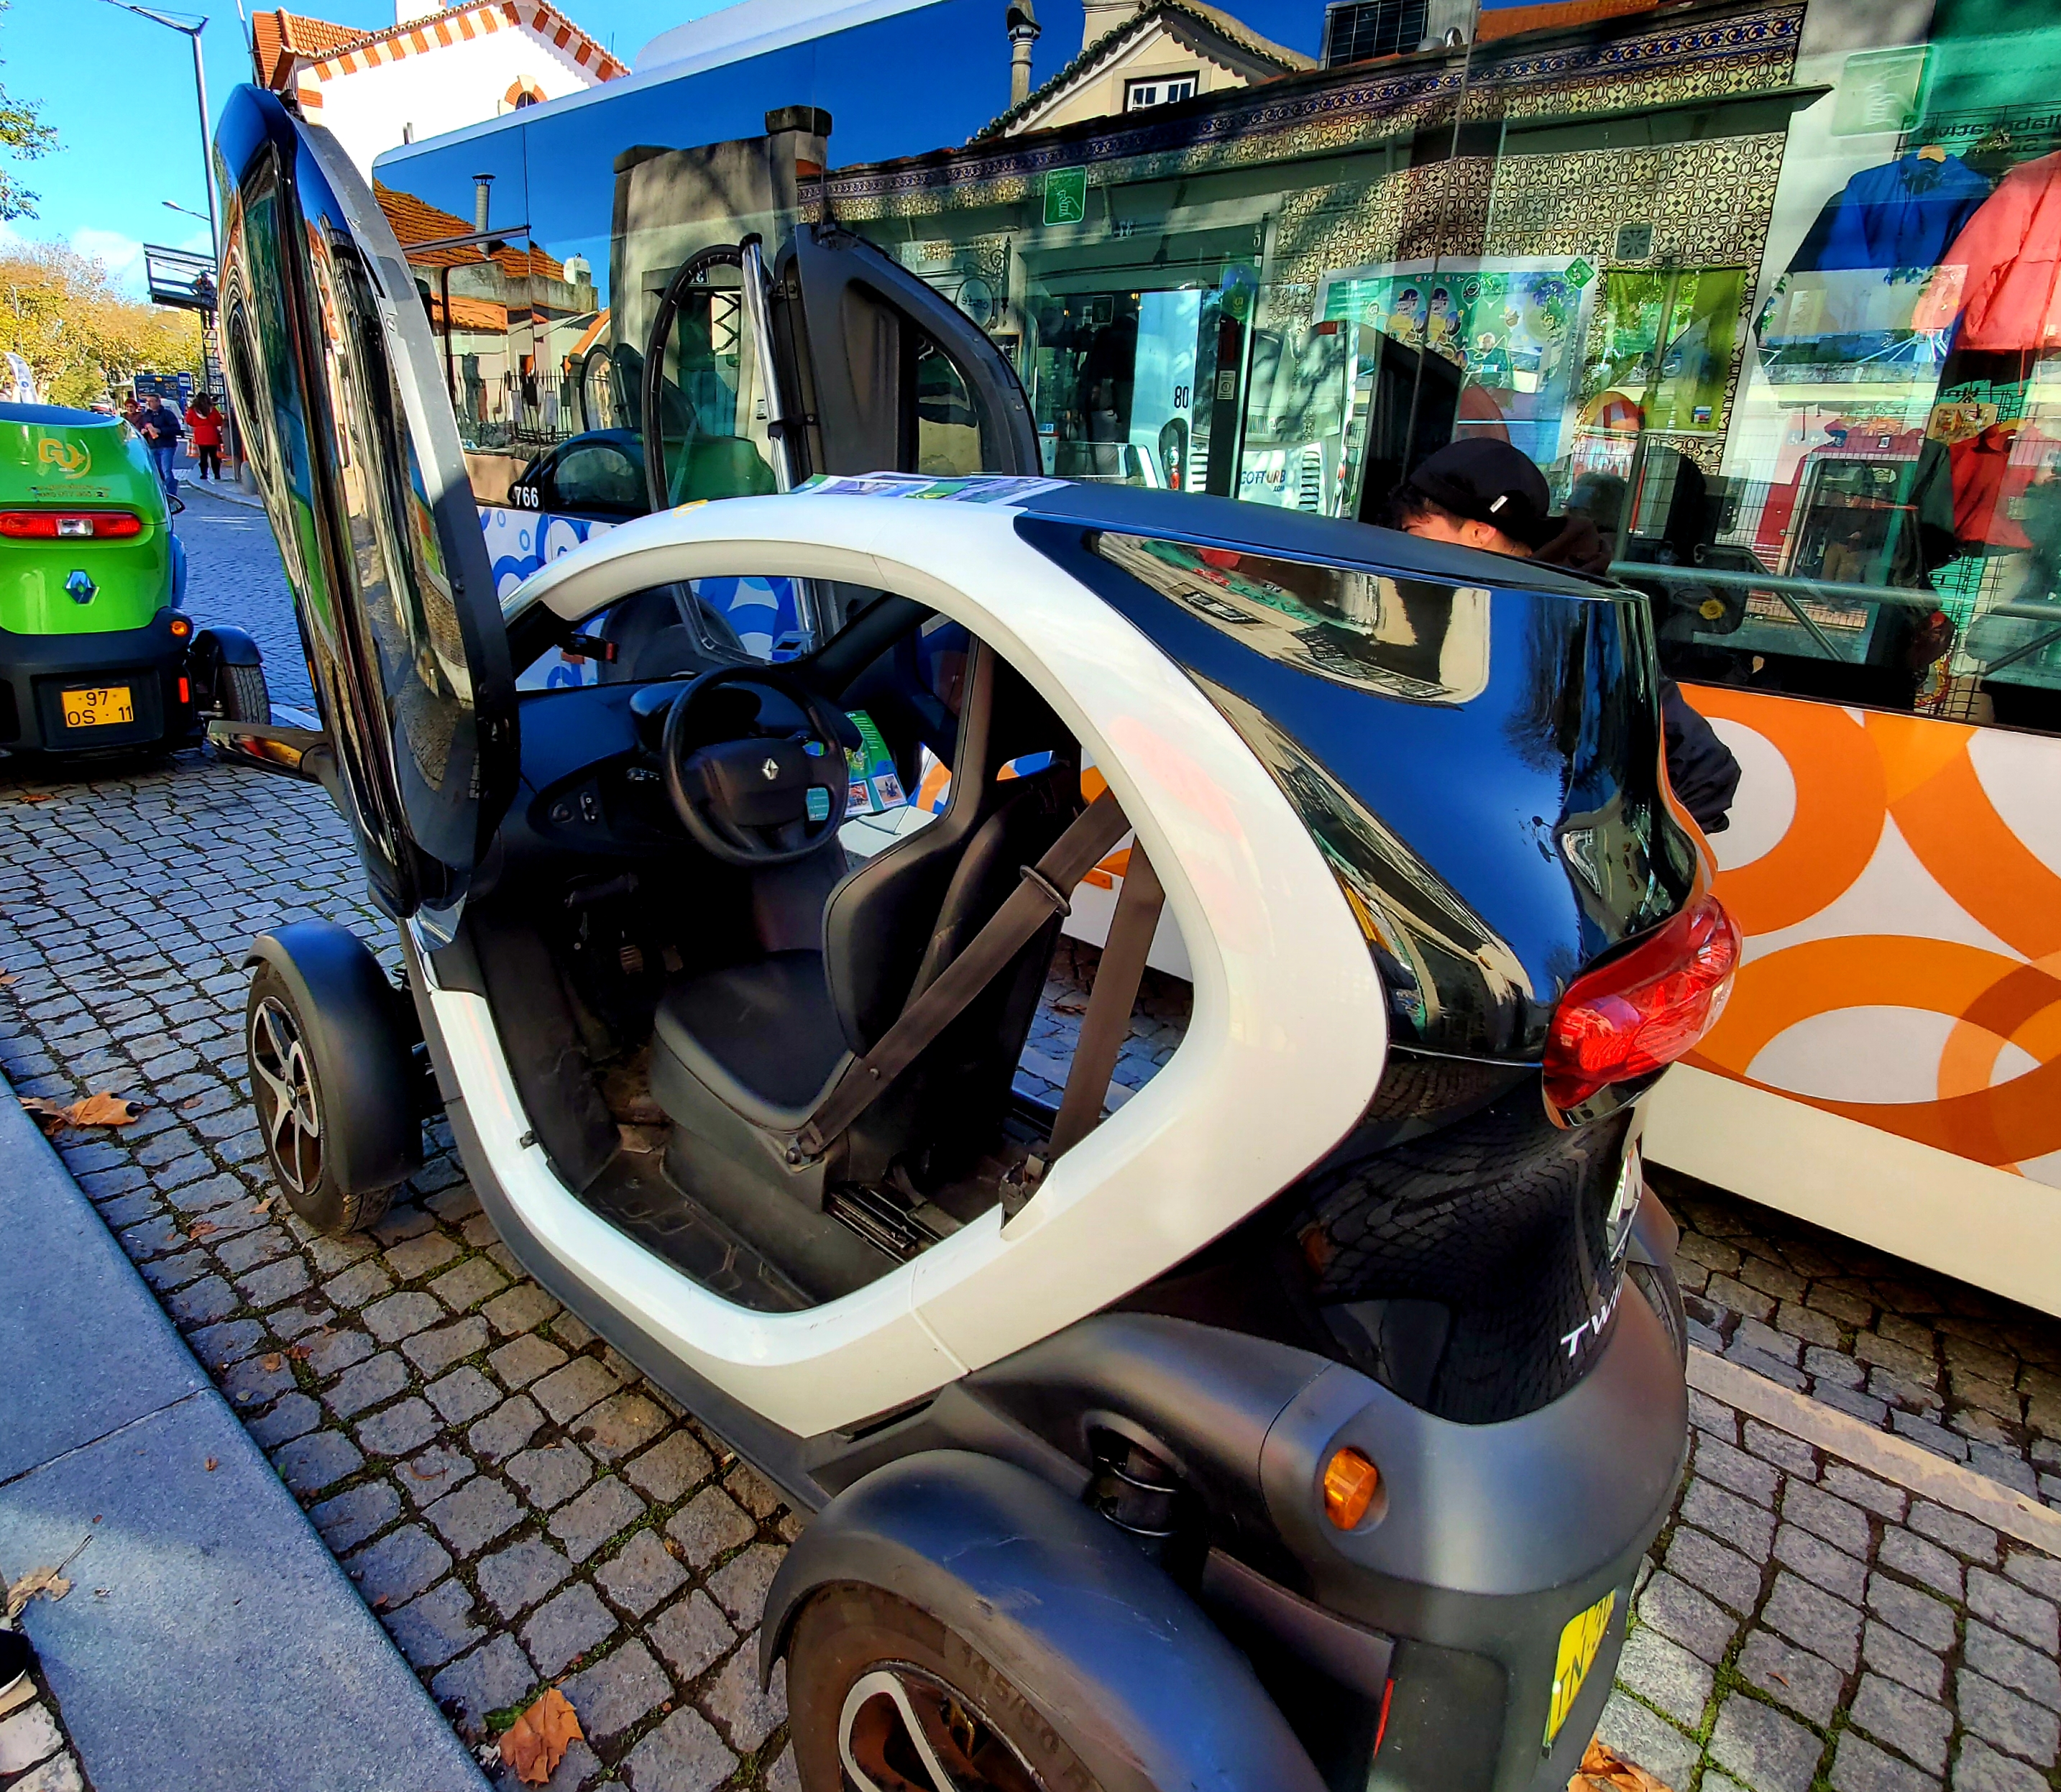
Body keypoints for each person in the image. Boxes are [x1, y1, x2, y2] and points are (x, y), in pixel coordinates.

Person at [1382, 437, 1743, 834]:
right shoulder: (1464, 602)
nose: (1403, 549)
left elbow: (1706, 769)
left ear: (1480, 532)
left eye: (1414, 532)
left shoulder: (1570, 621)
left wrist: (1614, 856)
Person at [137, 392, 183, 499]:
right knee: (157, 471)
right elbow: (141, 427)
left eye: (152, 401)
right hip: (153, 446)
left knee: (166, 470)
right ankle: (163, 491)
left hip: (167, 445)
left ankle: (172, 494)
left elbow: (176, 429)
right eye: (147, 402)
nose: (149, 404)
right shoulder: (146, 415)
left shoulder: (167, 414)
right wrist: (143, 431)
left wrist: (160, 430)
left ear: (158, 402)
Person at [185, 392, 224, 482]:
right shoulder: (212, 409)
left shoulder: (193, 410)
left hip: (200, 435)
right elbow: (219, 420)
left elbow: (189, 421)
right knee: (214, 456)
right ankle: (217, 474)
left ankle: (204, 474)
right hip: (212, 434)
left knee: (203, 456)